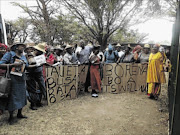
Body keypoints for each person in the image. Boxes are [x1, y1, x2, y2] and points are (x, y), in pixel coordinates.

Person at [0, 43, 28, 124]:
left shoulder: (23, 56)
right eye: (21, 46)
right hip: (12, 80)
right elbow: (0, 64)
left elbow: (27, 66)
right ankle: (11, 117)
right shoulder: (9, 54)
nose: (23, 48)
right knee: (12, 97)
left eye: (23, 46)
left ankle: (19, 113)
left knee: (22, 96)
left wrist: (30, 64)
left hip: (21, 79)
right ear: (16, 47)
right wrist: (12, 65)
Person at [0, 43, 9, 115]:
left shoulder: (7, 57)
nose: (2, 50)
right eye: (1, 49)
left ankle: (2, 108)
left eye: (4, 49)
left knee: (4, 93)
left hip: (4, 77)